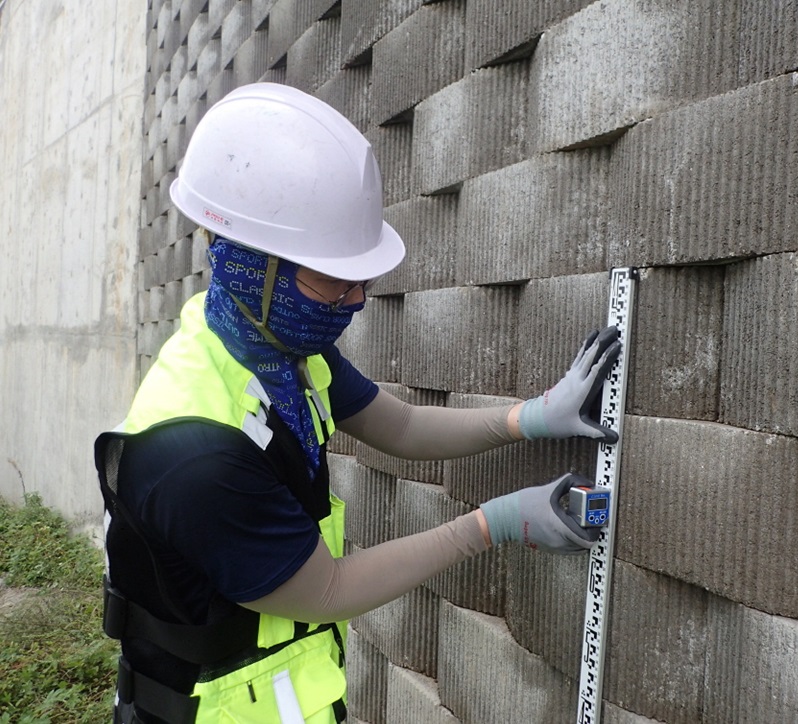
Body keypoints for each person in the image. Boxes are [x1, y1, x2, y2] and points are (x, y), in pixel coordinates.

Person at [95, 82, 621, 724]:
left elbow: (398, 424)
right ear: (249, 267)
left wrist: (529, 418)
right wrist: (491, 524)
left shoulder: (271, 347)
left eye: (362, 278)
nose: (357, 299)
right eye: (334, 278)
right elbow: (328, 588)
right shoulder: (195, 454)